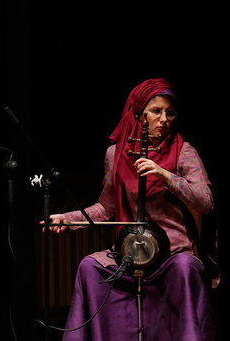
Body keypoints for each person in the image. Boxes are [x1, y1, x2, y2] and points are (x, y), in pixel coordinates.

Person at [43, 78, 217, 340]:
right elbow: (106, 207)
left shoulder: (184, 152)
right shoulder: (116, 154)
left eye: (170, 112)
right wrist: (67, 219)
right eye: (156, 111)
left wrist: (167, 176)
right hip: (131, 251)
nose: (164, 119)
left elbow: (206, 202)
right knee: (89, 267)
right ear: (139, 113)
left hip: (173, 253)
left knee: (185, 267)